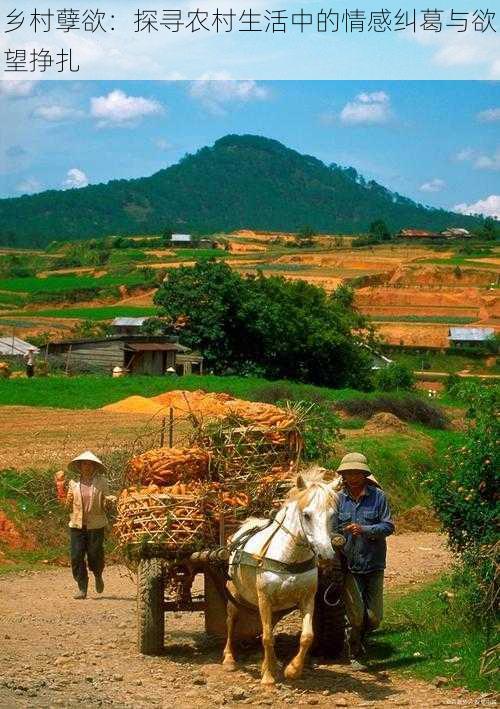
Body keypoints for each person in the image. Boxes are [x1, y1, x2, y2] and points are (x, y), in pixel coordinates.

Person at [334, 452, 394, 664]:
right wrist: (338, 539)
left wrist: (365, 529)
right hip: (349, 565)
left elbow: (388, 526)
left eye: (357, 473)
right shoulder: (338, 500)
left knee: (374, 616)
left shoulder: (379, 497)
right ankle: (354, 652)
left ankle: (361, 638)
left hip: (374, 562)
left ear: (364, 474)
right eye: (348, 473)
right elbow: (331, 531)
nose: (353, 477)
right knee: (355, 614)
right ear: (343, 475)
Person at [65, 451, 115, 600]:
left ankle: (98, 574)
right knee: (76, 556)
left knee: (95, 555)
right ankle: (82, 587)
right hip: (76, 524)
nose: (86, 467)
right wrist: (66, 501)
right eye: (83, 464)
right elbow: (68, 504)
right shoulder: (73, 483)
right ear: (79, 466)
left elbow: (106, 499)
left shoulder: (101, 482)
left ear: (94, 466)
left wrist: (109, 501)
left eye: (89, 464)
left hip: (96, 524)